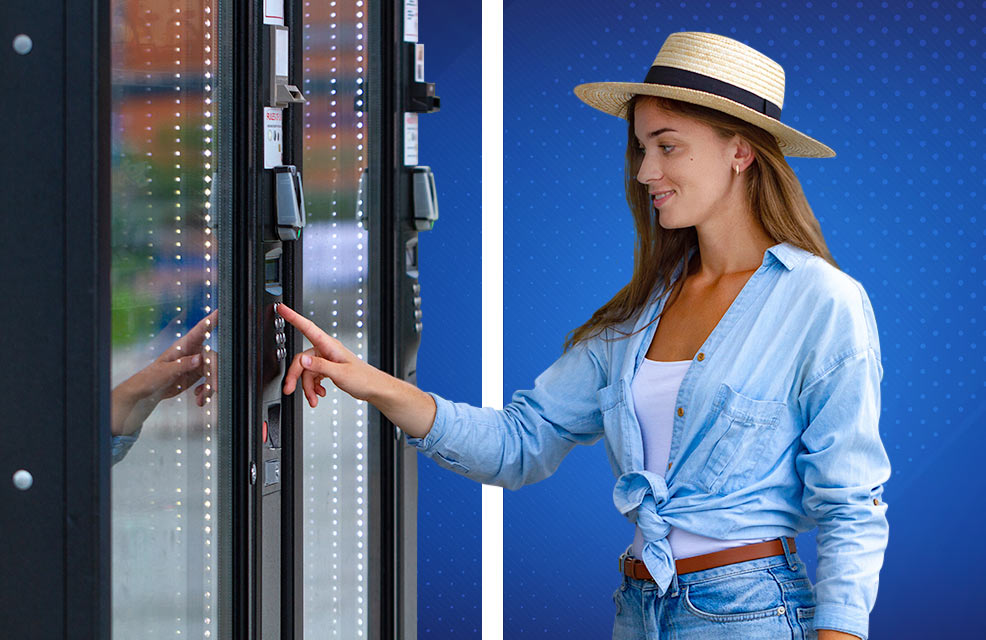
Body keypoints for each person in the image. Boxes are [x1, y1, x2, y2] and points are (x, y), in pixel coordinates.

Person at [278, 31, 889, 640]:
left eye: (668, 146)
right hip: (638, 609)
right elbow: (520, 444)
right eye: (642, 148)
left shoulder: (821, 301)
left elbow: (850, 508)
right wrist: (371, 383)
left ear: (741, 151)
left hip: (751, 616)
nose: (647, 170)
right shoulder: (641, 312)